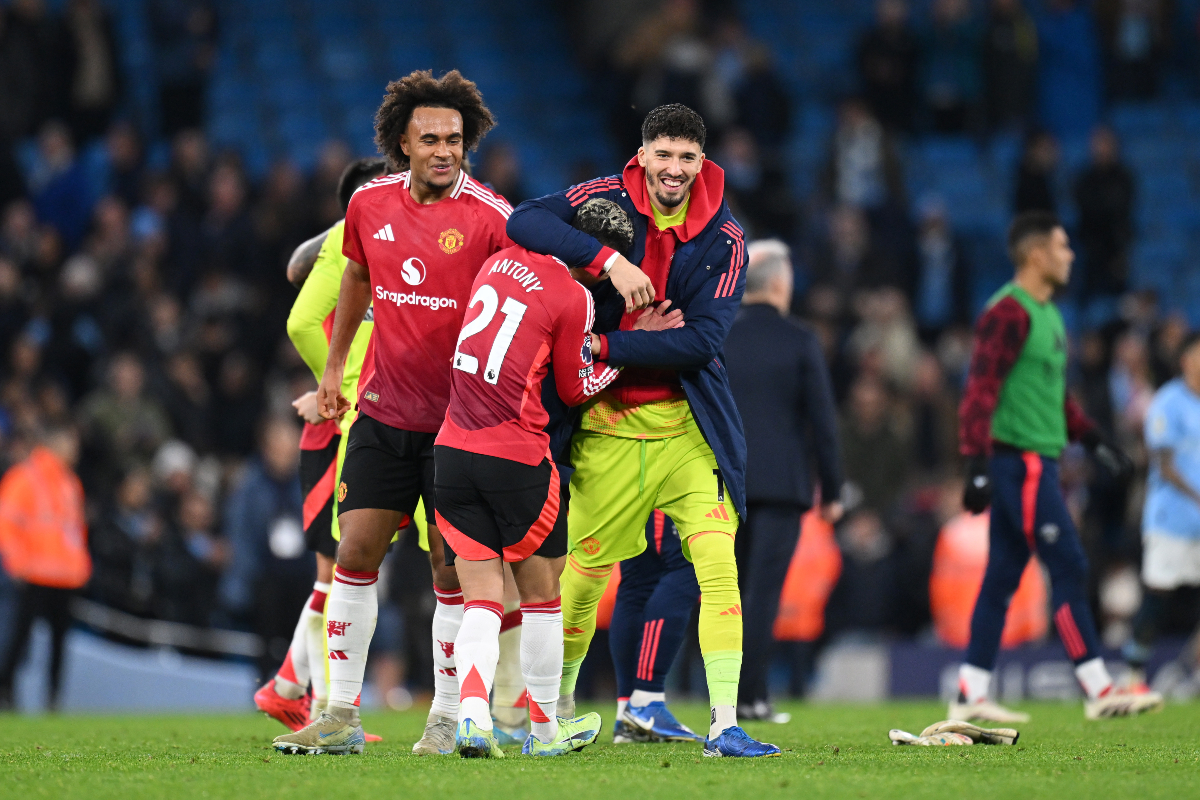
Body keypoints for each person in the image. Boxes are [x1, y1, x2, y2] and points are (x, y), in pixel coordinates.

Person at [507, 103, 780, 757]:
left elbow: (703, 342)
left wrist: (604, 347)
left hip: (688, 429)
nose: (675, 169)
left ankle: (724, 722)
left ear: (701, 162)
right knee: (583, 580)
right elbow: (523, 220)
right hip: (608, 429)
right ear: (643, 155)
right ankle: (555, 711)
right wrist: (609, 261)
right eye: (664, 154)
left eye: (687, 157)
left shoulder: (726, 239)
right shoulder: (605, 200)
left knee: (717, 568)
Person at [273, 70, 515, 757]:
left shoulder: (492, 216)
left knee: (447, 572)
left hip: (460, 424)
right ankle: (340, 715)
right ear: (401, 144)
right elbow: (353, 276)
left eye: (456, 139)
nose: (446, 150)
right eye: (431, 138)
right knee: (354, 553)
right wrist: (332, 366)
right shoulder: (370, 205)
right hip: (381, 412)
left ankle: (443, 718)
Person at [437, 198, 681, 758]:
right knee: (542, 600)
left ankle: (471, 718)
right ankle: (546, 733)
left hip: (450, 452)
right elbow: (575, 389)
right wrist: (631, 351)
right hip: (517, 457)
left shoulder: (496, 262)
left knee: (478, 600)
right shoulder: (574, 296)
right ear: (604, 261)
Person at [954, 211, 1163, 722]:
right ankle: (1097, 688)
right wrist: (976, 464)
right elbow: (980, 389)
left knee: (1003, 575)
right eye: (1061, 246)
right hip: (1019, 463)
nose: (1070, 256)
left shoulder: (1048, 315)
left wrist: (1093, 440)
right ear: (1035, 254)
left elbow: (1052, 395)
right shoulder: (1008, 312)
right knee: (1068, 564)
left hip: (1037, 460)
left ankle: (969, 694)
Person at [252, 157, 387, 732]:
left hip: (360, 423)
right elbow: (295, 286)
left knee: (343, 572)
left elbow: (293, 267)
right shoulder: (350, 251)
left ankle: (289, 686)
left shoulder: (383, 258)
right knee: (338, 574)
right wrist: (331, 390)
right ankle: (327, 707)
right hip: (339, 430)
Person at [722, 239, 844, 722]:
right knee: (762, 593)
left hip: (722, 484)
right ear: (779, 282)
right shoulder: (800, 339)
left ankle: (712, 693)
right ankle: (751, 697)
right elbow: (824, 423)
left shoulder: (720, 335)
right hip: (782, 487)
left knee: (722, 592)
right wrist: (832, 491)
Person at [1122, 333, 1200, 686]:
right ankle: (1133, 672)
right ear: (1184, 359)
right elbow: (1164, 463)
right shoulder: (1168, 401)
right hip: (1171, 518)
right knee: (1158, 595)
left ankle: (1190, 667)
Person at [0, 425, 91, 710]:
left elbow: (75, 530)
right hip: (34, 572)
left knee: (59, 642)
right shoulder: (24, 477)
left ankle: (53, 699)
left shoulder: (70, 483)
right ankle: (5, 691)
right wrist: (17, 563)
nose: (75, 450)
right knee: (19, 636)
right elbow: (7, 522)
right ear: (54, 444)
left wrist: (81, 565)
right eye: (70, 442)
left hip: (65, 576)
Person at [608, 511, 704, 744]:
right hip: (665, 483)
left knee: (638, 581)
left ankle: (628, 713)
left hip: (628, 484)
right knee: (688, 565)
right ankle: (645, 701)